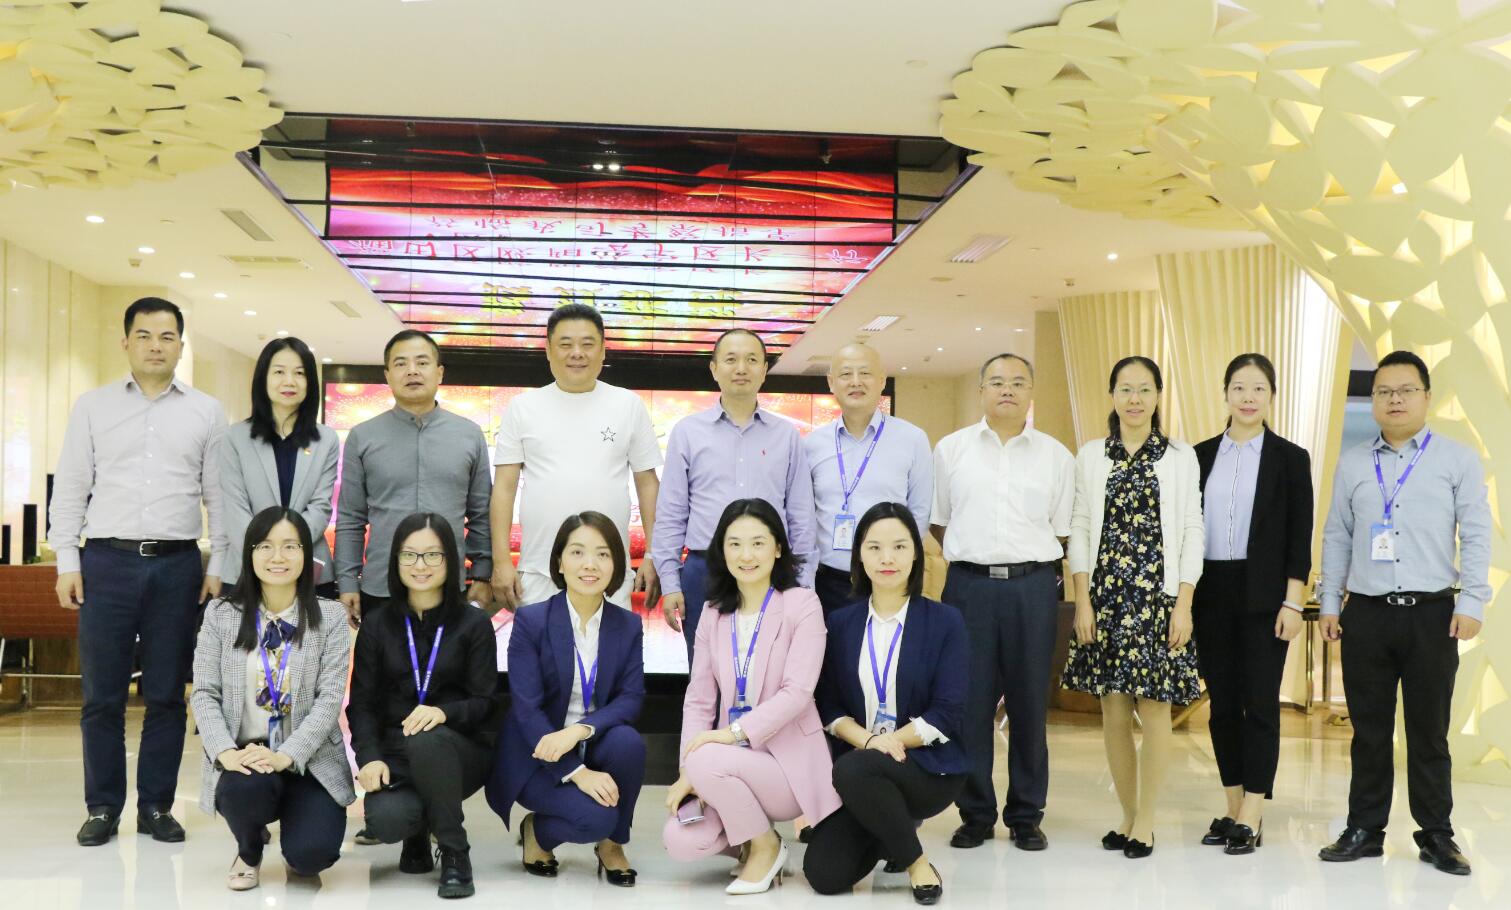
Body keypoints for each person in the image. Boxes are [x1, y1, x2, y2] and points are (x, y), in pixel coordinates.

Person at [49, 297, 228, 847]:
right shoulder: (93, 407)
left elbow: (218, 495)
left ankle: (156, 806)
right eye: (145, 335)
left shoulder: (206, 411)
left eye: (167, 336)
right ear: (125, 341)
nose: (156, 345)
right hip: (106, 562)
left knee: (167, 694)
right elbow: (71, 487)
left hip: (177, 565)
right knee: (102, 695)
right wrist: (67, 561)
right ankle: (103, 807)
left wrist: (219, 563)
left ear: (181, 345)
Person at [1316, 350, 1490, 876]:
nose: (1395, 400)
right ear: (1373, 400)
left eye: (1406, 390)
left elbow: (1476, 533)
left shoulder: (1456, 459)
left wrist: (1472, 600)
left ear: (1426, 397)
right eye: (1384, 392)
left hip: (1432, 614)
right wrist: (1330, 602)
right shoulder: (1353, 463)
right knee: (1368, 731)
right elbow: (1337, 535)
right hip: (1367, 614)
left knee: (1429, 733)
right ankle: (1365, 829)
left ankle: (1436, 834)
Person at [930, 353, 1073, 851]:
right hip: (967, 588)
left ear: (1031, 391)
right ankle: (975, 814)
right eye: (996, 382)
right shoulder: (951, 450)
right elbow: (940, 521)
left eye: (1017, 382)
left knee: (1029, 703)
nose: (1007, 389)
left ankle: (1026, 815)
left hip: (1032, 588)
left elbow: (1061, 529)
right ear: (981, 391)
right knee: (969, 705)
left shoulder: (1056, 456)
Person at [1062, 355, 1204, 859]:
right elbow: (1080, 528)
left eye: (1145, 389)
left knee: (1156, 708)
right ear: (1113, 396)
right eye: (1125, 389)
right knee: (1114, 709)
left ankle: (1147, 819)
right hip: (1106, 597)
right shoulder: (1091, 455)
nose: (1135, 399)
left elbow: (1192, 530)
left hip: (1158, 598)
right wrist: (1082, 600)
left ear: (1158, 396)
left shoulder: (1180, 457)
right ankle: (1126, 814)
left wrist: (1184, 603)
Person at [661, 498, 838, 895]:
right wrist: (689, 771)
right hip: (726, 765)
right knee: (681, 840)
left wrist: (730, 735)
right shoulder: (713, 613)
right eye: (735, 544)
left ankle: (764, 847)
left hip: (786, 767)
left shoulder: (802, 604)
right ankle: (755, 836)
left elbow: (798, 692)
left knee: (705, 756)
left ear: (778, 548)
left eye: (758, 543)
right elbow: (699, 699)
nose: (746, 555)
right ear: (721, 551)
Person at [804, 502, 968, 905]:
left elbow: (947, 711)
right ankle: (892, 828)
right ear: (859, 555)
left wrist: (890, 743)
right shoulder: (841, 623)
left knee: (854, 767)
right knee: (824, 874)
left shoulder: (945, 621)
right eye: (874, 547)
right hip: (863, 768)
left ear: (916, 554)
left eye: (899, 546)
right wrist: (869, 742)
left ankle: (917, 864)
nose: (887, 558)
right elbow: (828, 706)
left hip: (926, 766)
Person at [190, 508, 354, 890]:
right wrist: (225, 753)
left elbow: (329, 700)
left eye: (289, 546)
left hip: (310, 759)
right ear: (249, 553)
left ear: (306, 554)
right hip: (246, 756)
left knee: (311, 857)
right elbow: (204, 692)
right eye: (265, 546)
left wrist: (287, 755)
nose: (277, 557)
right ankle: (249, 848)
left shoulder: (330, 617)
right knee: (244, 791)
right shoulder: (220, 614)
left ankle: (297, 838)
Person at [1192, 354, 1313, 855]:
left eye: (1258, 388)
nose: (1248, 397)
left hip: (1266, 594)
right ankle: (1233, 804)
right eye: (1239, 387)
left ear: (1271, 397)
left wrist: (1293, 602)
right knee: (1221, 705)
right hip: (1210, 590)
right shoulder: (1198, 456)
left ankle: (1254, 812)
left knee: (1260, 704)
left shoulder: (1290, 458)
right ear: (1225, 393)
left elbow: (1299, 537)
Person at [347, 513, 503, 899]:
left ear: (451, 560)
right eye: (410, 555)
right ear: (395, 561)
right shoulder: (377, 624)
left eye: (433, 555)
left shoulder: (473, 623)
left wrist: (444, 713)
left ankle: (454, 851)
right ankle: (416, 830)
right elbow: (361, 704)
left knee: (427, 739)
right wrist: (369, 757)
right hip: (397, 754)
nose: (421, 565)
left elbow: (486, 703)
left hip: (460, 752)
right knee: (386, 820)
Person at [486, 512, 646, 886]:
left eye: (602, 554)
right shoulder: (532, 621)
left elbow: (631, 698)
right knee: (596, 817)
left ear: (616, 564)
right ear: (559, 562)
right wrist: (577, 773)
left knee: (629, 744)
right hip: (537, 754)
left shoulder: (627, 625)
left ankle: (613, 845)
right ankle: (537, 832)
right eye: (577, 552)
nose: (590, 564)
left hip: (592, 742)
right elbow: (527, 710)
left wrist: (580, 730)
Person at [653, 328, 817, 662]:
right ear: (714, 369)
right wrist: (670, 583)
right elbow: (671, 513)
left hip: (770, 571)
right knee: (706, 670)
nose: (741, 368)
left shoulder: (786, 435)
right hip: (705, 571)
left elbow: (801, 514)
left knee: (770, 668)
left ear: (764, 370)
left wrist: (802, 584)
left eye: (751, 360)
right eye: (730, 359)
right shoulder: (688, 432)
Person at [490, 303, 662, 611]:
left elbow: (647, 484)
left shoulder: (628, 405)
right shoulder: (522, 407)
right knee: (540, 643)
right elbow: (504, 488)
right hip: (539, 568)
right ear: (548, 350)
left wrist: (653, 554)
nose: (577, 353)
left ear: (603, 350)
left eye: (587, 344)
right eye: (566, 344)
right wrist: (501, 560)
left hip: (610, 569)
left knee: (612, 643)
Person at [334, 329, 492, 628]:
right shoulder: (362, 437)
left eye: (422, 362)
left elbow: (481, 513)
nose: (412, 371)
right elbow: (351, 518)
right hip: (382, 585)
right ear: (387, 375)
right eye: (401, 363)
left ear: (439, 372)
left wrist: (482, 574)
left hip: (449, 585)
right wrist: (347, 581)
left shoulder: (469, 435)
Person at [804, 344, 932, 616]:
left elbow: (920, 512)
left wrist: (901, 562)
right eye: (846, 374)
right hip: (829, 582)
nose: (856, 382)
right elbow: (805, 513)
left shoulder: (912, 439)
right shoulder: (812, 444)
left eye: (865, 373)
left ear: (882, 380)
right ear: (831, 383)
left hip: (889, 579)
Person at [220, 338, 340, 596]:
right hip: (247, 571)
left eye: (299, 373)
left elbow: (320, 507)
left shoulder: (326, 439)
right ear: (263, 378)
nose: (289, 381)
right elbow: (235, 509)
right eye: (279, 372)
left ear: (310, 382)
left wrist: (288, 553)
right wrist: (268, 556)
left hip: (309, 571)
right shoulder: (235, 438)